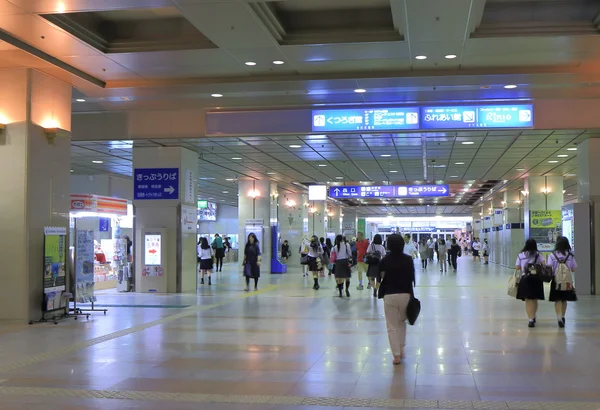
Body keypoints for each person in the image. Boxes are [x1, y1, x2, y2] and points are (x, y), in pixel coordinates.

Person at [379, 234, 415, 364]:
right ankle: (401, 348)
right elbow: (412, 278)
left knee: (392, 325)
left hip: (390, 294)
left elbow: (381, 276)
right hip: (405, 294)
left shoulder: (385, 260)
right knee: (401, 322)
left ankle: (396, 355)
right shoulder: (408, 259)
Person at [547, 236, 578, 328]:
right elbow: (573, 269)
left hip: (556, 281)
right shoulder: (570, 256)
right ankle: (563, 316)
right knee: (564, 300)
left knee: (558, 300)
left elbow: (549, 267)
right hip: (567, 281)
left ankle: (559, 317)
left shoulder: (552, 255)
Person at [515, 239, 545, 328]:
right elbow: (544, 264)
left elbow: (517, 267)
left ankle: (530, 319)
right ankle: (534, 315)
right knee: (534, 299)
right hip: (536, 279)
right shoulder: (538, 254)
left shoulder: (521, 255)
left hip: (525, 279)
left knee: (528, 300)